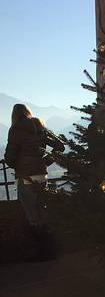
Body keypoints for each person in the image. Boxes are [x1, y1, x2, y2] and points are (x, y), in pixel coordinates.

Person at [4, 103, 65, 258]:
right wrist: (45, 162)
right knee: (43, 212)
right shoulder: (40, 126)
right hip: (42, 175)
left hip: (26, 178)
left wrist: (18, 164)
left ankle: (41, 253)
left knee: (32, 217)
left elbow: (10, 157)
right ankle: (51, 250)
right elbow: (60, 146)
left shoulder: (15, 130)